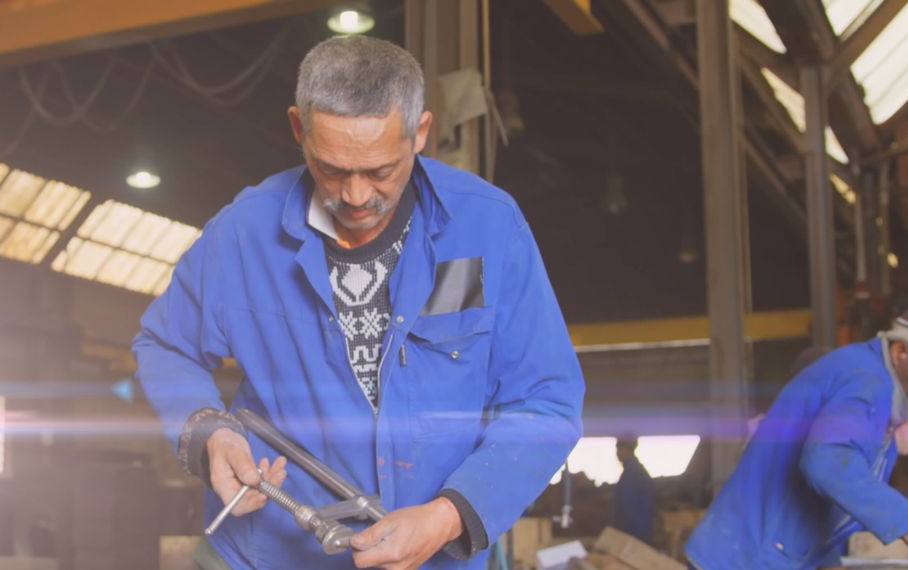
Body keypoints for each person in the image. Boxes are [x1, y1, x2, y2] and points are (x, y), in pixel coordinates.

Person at [133, 36, 584, 570]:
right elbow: (165, 343)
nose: (355, 197)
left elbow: (546, 401)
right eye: (332, 169)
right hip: (272, 554)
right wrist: (208, 432)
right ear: (299, 129)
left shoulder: (487, 228)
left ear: (420, 133)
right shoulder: (243, 235)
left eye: (380, 171)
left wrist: (445, 518)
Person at [685, 310, 908, 569]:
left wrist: (829, 560)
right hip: (746, 558)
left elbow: (842, 495)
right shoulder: (866, 380)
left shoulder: (882, 404)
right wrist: (907, 522)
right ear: (900, 351)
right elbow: (827, 463)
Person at [610, 436, 655, 544]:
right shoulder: (635, 470)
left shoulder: (632, 473)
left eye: (619, 450)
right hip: (640, 530)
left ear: (627, 450)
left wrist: (621, 531)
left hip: (634, 532)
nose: (617, 454)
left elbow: (628, 505)